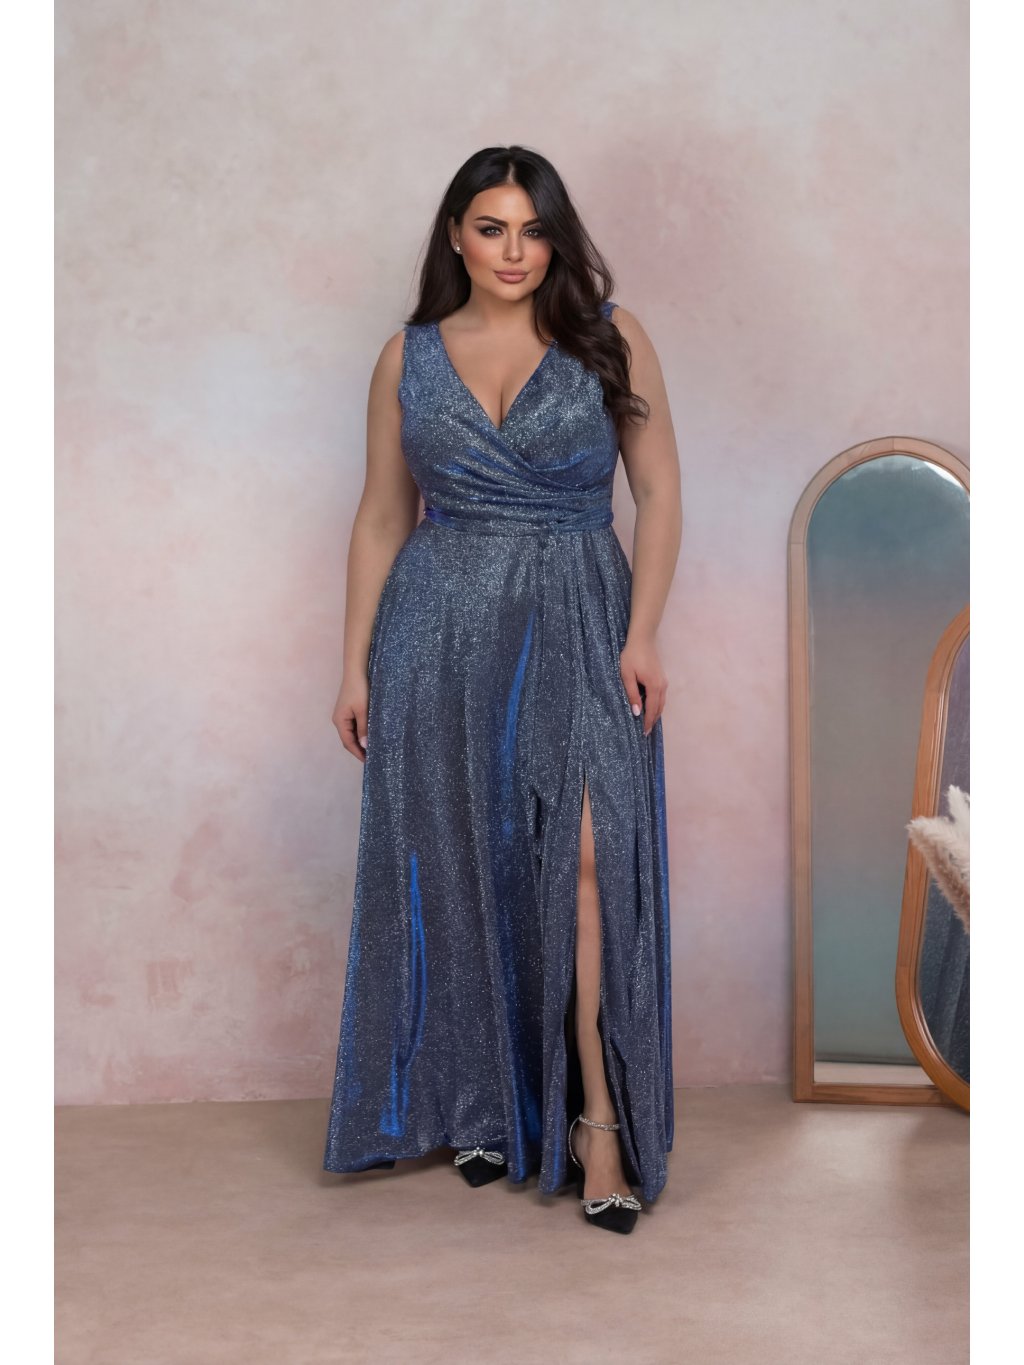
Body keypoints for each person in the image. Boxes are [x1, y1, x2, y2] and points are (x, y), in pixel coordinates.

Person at [323, 145, 681, 1236]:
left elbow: (659, 490)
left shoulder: (610, 336)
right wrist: (353, 662)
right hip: (436, 627)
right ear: (456, 235)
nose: (514, 252)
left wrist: (643, 633)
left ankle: (597, 1121)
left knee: (587, 859)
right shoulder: (408, 356)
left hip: (580, 611)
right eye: (491, 228)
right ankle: (484, 1102)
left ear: (557, 239)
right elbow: (383, 514)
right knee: (462, 861)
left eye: (533, 230)